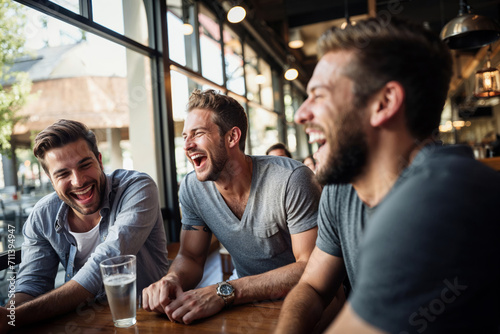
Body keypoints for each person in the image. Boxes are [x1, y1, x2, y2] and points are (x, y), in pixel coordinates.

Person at [276, 17, 499, 334]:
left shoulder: (440, 198)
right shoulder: (343, 188)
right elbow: (312, 287)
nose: (301, 114)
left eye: (319, 95)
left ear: (384, 103)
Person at [142, 89, 321, 324]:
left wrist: (224, 291)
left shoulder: (291, 179)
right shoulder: (192, 188)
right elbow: (191, 257)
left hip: (309, 301)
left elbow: (311, 267)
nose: (187, 145)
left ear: (232, 137)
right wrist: (173, 278)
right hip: (247, 303)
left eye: (198, 133)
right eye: (185, 136)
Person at [0, 119, 169, 332]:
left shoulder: (137, 188)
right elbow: (32, 283)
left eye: (85, 165)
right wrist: (9, 314)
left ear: (99, 160)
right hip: (84, 325)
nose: (78, 181)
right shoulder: (42, 216)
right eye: (63, 174)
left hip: (149, 319)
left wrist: (14, 317)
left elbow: (105, 262)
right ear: (51, 180)